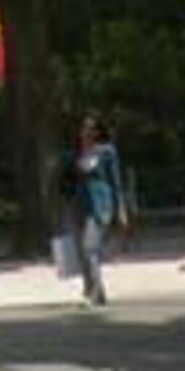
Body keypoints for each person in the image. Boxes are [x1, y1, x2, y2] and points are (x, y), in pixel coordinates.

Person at [56, 115, 129, 307]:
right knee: (82, 252)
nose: (87, 132)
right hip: (78, 205)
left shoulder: (106, 152)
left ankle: (94, 293)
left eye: (91, 128)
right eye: (83, 128)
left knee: (90, 248)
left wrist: (120, 209)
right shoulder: (73, 155)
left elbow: (115, 182)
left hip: (100, 205)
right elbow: (64, 182)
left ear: (98, 132)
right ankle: (93, 289)